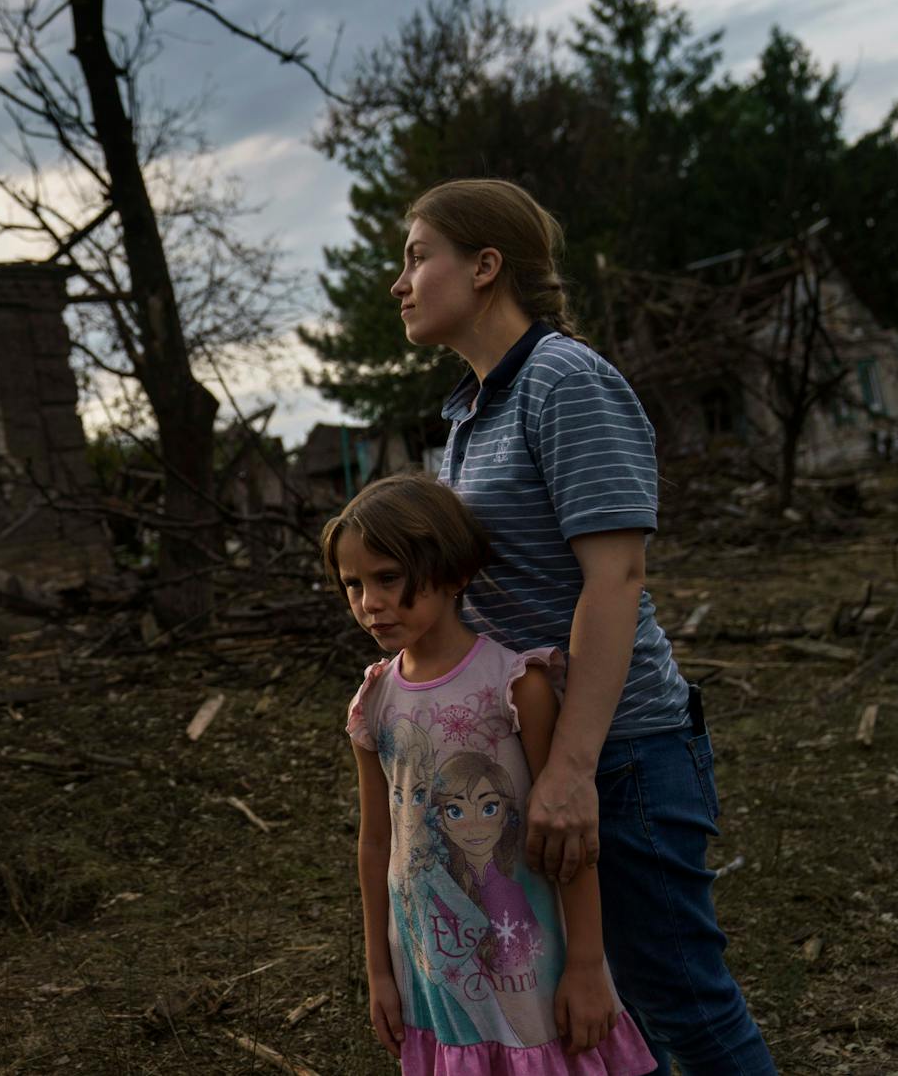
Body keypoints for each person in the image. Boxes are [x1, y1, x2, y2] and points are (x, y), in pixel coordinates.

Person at [388, 178, 773, 1072]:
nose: (400, 282)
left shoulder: (564, 381)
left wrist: (570, 768)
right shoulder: (470, 410)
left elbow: (616, 577)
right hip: (541, 749)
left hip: (620, 749)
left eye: (417, 256)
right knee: (614, 1013)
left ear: (485, 266)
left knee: (682, 1005)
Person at [331, 474, 654, 1073]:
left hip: (527, 965)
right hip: (431, 967)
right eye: (354, 584)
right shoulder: (373, 702)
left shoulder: (516, 686)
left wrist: (587, 964)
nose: (369, 602)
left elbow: (567, 836)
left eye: (388, 577)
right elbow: (377, 843)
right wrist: (379, 971)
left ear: (454, 574)